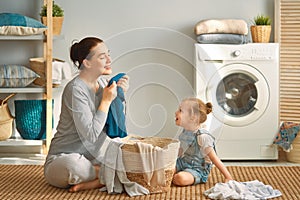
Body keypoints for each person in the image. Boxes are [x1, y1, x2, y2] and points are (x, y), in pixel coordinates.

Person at [44, 37, 129, 192]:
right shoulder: (75, 89)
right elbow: (91, 135)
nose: (109, 60)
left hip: (97, 158)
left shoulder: (104, 85)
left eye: (108, 54)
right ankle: (107, 175)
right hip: (65, 159)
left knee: (133, 153)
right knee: (75, 166)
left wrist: (120, 97)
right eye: (102, 57)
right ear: (87, 63)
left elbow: (116, 128)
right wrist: (106, 101)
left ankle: (98, 178)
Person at [172, 97, 233, 186]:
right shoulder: (185, 132)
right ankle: (173, 175)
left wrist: (228, 177)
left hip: (196, 169)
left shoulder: (203, 137)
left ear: (192, 117)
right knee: (162, 171)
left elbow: (214, 159)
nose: (176, 112)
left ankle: (182, 176)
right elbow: (181, 151)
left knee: (180, 179)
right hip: (182, 163)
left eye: (180, 110)